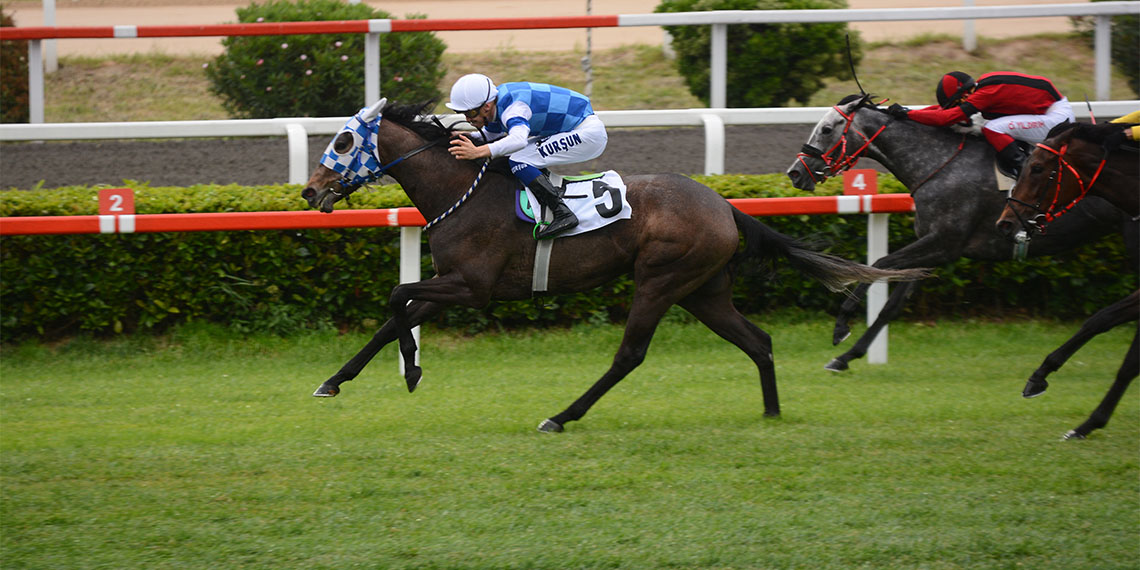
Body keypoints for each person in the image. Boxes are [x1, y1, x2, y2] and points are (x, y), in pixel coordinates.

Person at [445, 73, 608, 239]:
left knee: (519, 159)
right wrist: (467, 136)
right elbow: (492, 134)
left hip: (587, 134)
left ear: (486, 106)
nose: (468, 119)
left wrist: (479, 151)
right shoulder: (497, 103)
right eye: (462, 113)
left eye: (471, 113)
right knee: (515, 155)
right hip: (575, 128)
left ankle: (563, 213)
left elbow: (518, 139)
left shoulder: (513, 108)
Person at [887, 71, 1074, 178]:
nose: (960, 105)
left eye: (959, 102)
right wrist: (907, 111)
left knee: (992, 128)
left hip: (1056, 119)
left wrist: (908, 114)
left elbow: (946, 118)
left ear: (965, 95)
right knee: (994, 125)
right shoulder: (982, 87)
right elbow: (942, 111)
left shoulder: (986, 93)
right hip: (1052, 112)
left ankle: (1025, 171)